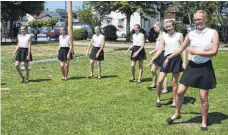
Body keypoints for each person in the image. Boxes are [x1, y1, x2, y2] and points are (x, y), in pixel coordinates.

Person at [165, 10, 219, 131]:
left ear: (205, 19)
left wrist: (197, 52)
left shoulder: (213, 33)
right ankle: (177, 113)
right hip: (192, 66)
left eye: (199, 19)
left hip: (205, 67)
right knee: (179, 92)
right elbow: (181, 47)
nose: (196, 22)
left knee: (203, 96)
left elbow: (214, 52)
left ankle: (204, 121)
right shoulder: (191, 33)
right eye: (195, 20)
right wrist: (168, 57)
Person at [150, 20, 187, 107]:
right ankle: (158, 99)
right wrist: (153, 58)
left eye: (170, 26)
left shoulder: (179, 35)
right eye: (167, 27)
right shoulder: (164, 36)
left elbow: (183, 49)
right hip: (166, 59)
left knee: (174, 82)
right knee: (159, 81)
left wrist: (184, 62)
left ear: (174, 26)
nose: (168, 28)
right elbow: (160, 49)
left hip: (177, 59)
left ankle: (174, 101)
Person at [148, 22, 168, 93]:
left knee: (162, 72)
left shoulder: (164, 35)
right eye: (154, 27)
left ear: (160, 27)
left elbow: (162, 47)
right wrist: (153, 51)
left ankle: (165, 89)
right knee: (153, 70)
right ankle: (154, 83)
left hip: (162, 54)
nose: (154, 29)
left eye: (155, 27)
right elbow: (158, 47)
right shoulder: (159, 35)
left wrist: (154, 52)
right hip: (157, 53)